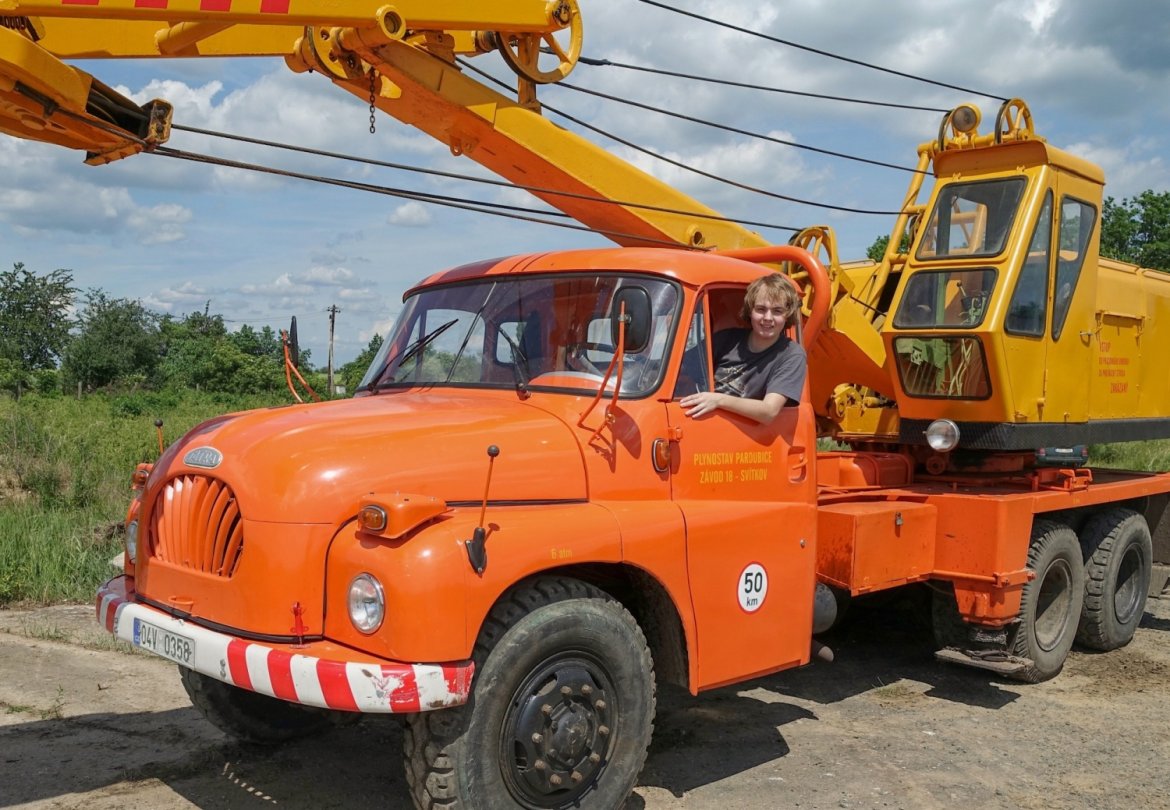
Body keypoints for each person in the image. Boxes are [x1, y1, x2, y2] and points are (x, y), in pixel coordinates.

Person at [679, 274, 807, 424]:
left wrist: (718, 400)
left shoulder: (792, 355)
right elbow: (681, 367)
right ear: (750, 311)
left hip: (747, 439)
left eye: (777, 311)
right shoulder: (726, 339)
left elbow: (769, 411)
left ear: (787, 315)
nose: (768, 317)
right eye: (761, 309)